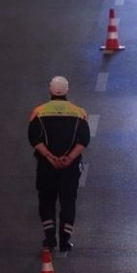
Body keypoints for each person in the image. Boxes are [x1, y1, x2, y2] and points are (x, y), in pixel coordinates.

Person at [28, 76, 91, 252]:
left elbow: (34, 138)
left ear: (50, 90)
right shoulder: (79, 112)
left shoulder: (39, 112)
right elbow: (84, 139)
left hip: (46, 166)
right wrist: (69, 158)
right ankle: (65, 240)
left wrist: (50, 157)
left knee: (46, 199)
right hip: (70, 167)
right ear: (67, 90)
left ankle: (49, 237)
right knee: (68, 200)